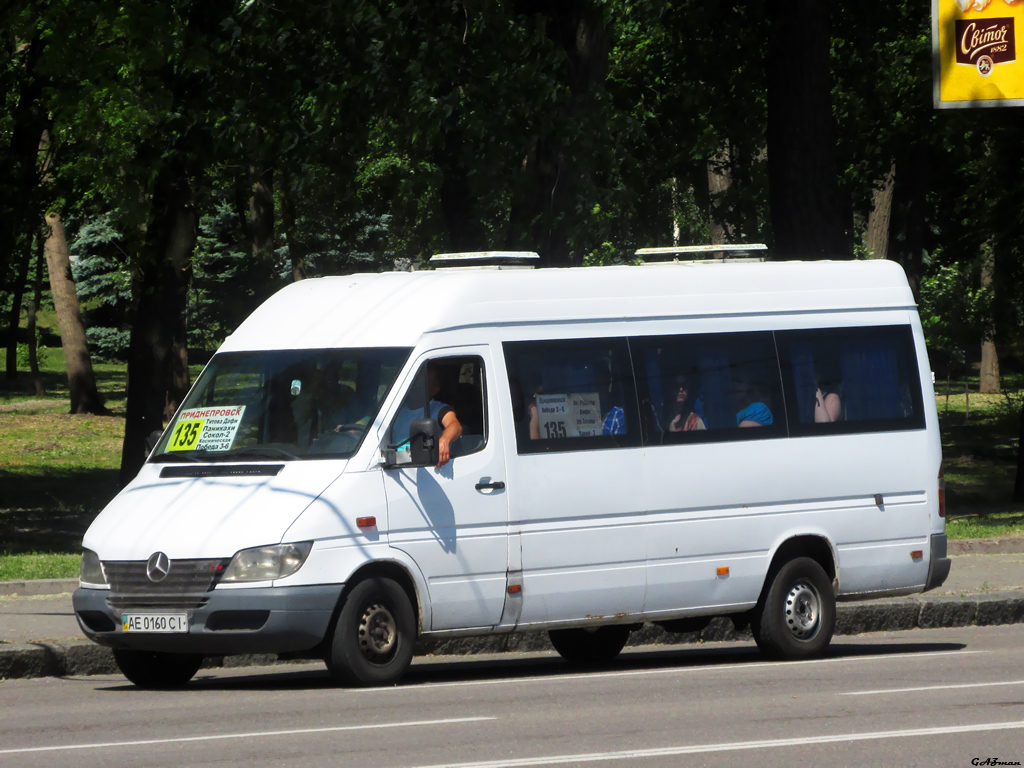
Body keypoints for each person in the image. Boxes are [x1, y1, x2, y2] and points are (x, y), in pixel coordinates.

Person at [392, 364, 462, 467]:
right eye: (413, 380)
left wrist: (444, 440)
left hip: (421, 468)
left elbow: (455, 426)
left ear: (434, 389)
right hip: (392, 465)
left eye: (420, 382)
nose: (414, 385)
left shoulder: (439, 409)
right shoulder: (396, 409)